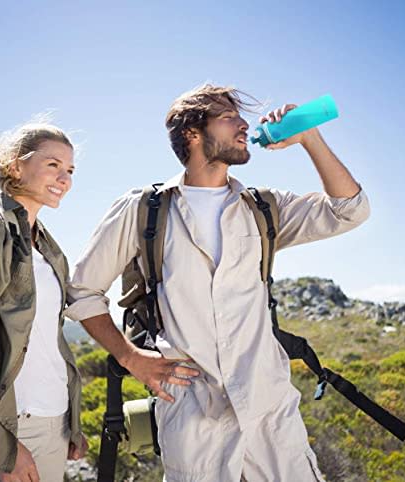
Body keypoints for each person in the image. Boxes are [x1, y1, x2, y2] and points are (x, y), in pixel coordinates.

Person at [66, 84, 370, 481]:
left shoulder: (263, 208)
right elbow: (83, 292)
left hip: (270, 413)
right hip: (193, 419)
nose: (244, 123)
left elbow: (351, 210)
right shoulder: (143, 210)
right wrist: (131, 358)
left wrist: (310, 138)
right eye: (229, 117)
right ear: (193, 132)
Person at [0, 121, 88, 481]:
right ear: (14, 166)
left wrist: (71, 420)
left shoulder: (49, 247)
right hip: (4, 427)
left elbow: (47, 340)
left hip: (53, 423)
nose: (65, 178)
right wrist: (2, 445)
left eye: (69, 169)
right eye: (53, 164)